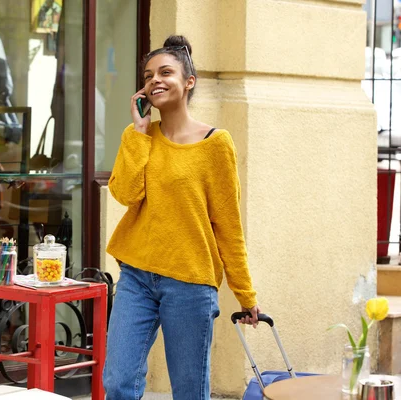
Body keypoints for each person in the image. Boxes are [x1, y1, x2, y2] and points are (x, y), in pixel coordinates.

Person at [103, 35, 261, 400]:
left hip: (190, 282)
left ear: (188, 81)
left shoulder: (215, 144)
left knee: (190, 391)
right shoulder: (138, 136)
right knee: (118, 383)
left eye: (165, 72)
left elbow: (228, 225)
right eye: (147, 75)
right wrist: (140, 135)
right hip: (137, 277)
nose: (154, 80)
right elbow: (125, 194)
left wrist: (245, 293)